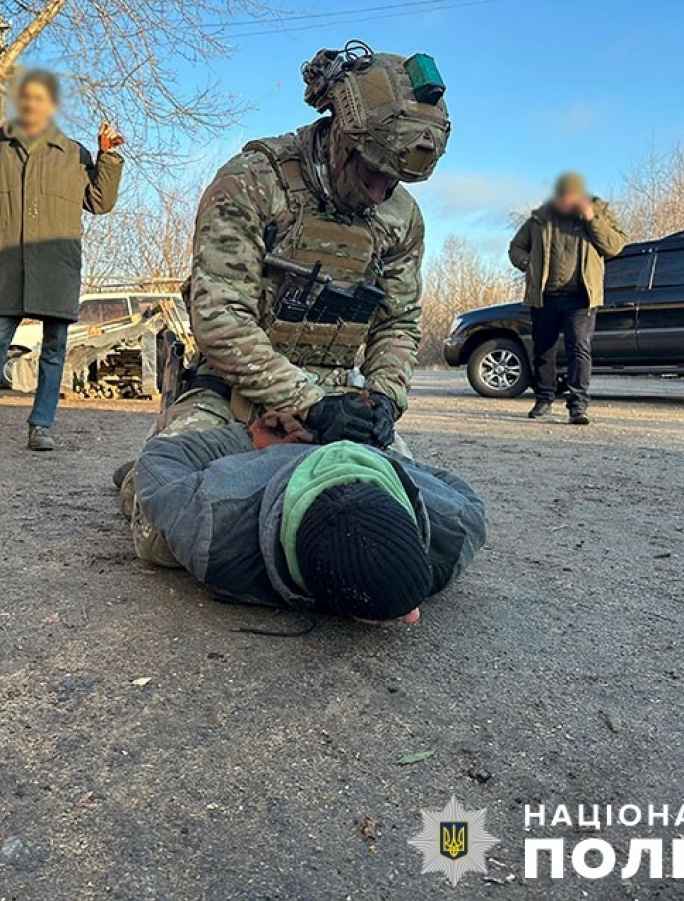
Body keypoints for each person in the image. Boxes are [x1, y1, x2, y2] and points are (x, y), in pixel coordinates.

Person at [153, 43, 450, 449]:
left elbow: (398, 323)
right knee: (170, 487)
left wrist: (384, 397)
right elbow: (219, 316)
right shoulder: (253, 183)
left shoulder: (401, 218)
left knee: (397, 497)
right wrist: (310, 404)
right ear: (344, 139)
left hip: (338, 402)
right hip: (233, 391)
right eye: (372, 172)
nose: (381, 193)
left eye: (395, 181)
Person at [128, 412, 486, 624]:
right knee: (155, 540)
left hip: (350, 449)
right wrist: (248, 438)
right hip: (261, 459)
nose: (415, 617)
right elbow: (160, 457)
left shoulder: (454, 526)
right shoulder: (216, 528)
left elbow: (459, 490)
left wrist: (371, 450)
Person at [0, 70, 124, 453]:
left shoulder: (73, 154)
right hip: (6, 267)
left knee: (53, 350)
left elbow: (100, 203)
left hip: (57, 267)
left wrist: (108, 157)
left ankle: (42, 426)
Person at [509, 172, 627, 425]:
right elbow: (515, 248)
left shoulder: (599, 212)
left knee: (579, 349)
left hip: (581, 297)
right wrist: (529, 264)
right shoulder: (540, 219)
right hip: (545, 296)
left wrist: (592, 220)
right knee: (543, 350)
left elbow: (615, 246)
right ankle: (543, 399)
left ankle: (578, 406)